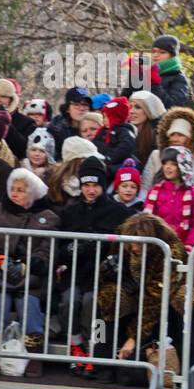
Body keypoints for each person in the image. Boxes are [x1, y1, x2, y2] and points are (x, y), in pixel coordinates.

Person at [95, 213, 194, 388]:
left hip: (171, 291)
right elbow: (108, 273)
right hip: (135, 288)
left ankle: (188, 365)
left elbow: (156, 299)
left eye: (139, 243)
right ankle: (101, 362)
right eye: (131, 242)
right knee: (104, 300)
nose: (134, 247)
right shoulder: (123, 236)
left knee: (183, 302)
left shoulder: (171, 248)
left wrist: (133, 338)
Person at [0, 170, 61, 377]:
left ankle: (34, 355)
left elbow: (48, 250)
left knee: (28, 303)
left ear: (31, 194)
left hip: (31, 277)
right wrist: (0, 261)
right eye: (12, 189)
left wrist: (27, 265)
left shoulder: (48, 217)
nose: (14, 193)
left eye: (20, 190)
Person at [56, 156, 137, 375]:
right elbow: (59, 247)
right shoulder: (69, 212)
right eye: (86, 185)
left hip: (104, 277)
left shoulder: (118, 211)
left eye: (95, 185)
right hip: (76, 274)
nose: (91, 190)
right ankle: (76, 346)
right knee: (69, 301)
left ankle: (95, 348)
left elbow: (126, 245)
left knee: (94, 305)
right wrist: (72, 249)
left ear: (103, 185)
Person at [143, 146, 194, 248]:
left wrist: (190, 244)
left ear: (184, 167)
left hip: (183, 248)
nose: (167, 167)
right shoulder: (154, 192)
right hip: (158, 247)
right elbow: (147, 222)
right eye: (165, 163)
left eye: (173, 164)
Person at [141, 107, 194, 194]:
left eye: (181, 135)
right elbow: (145, 188)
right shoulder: (156, 155)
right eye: (172, 134)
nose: (175, 139)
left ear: (190, 138)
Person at [0, 77, 36, 159]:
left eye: (4, 96)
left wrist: (5, 121)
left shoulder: (28, 123)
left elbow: (23, 150)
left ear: (12, 100)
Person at [47, 86, 92, 155]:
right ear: (67, 109)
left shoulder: (95, 128)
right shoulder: (56, 130)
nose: (82, 108)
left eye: (85, 105)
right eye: (76, 105)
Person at [127, 89, 165, 167]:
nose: (132, 111)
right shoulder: (123, 132)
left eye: (138, 107)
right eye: (130, 107)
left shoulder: (158, 136)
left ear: (149, 111)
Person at [150, 34, 189, 107]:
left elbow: (174, 106)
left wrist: (155, 84)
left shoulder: (178, 78)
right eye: (154, 51)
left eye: (162, 52)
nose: (155, 55)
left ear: (172, 55)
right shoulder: (146, 74)